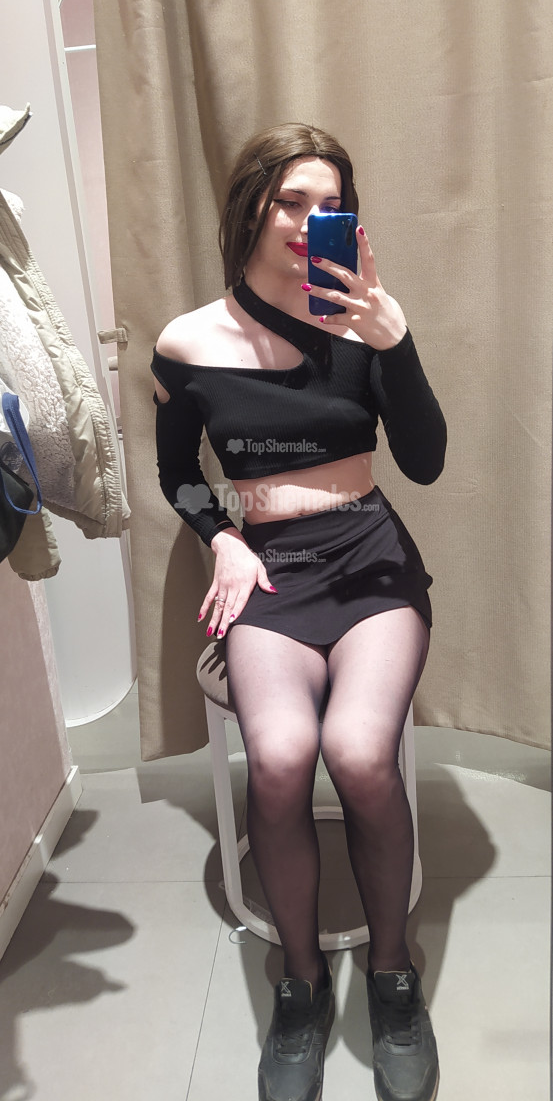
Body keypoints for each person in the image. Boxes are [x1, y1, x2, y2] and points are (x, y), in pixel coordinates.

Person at [151, 122, 446, 1101]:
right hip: (269, 568)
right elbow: (176, 474)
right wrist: (222, 538)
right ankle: (301, 984)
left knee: (358, 753)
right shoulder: (187, 343)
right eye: (291, 201)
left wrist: (394, 342)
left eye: (331, 206)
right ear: (252, 206)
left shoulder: (362, 325)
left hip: (368, 560)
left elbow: (425, 462)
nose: (311, 220)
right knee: (278, 759)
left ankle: (393, 977)